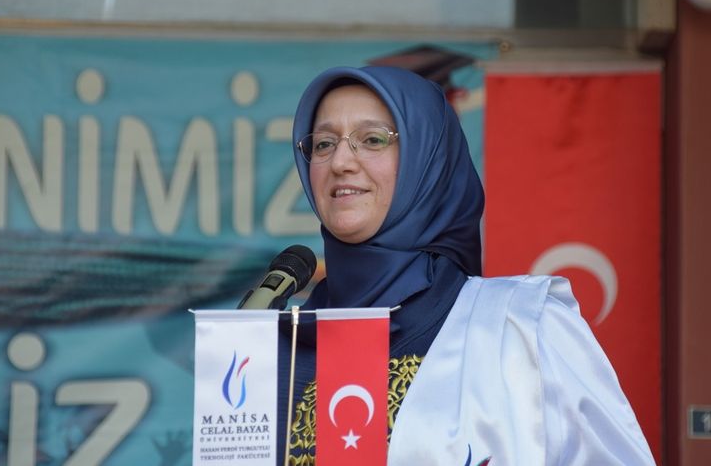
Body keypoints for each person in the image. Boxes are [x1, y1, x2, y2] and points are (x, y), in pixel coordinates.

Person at [276, 66, 656, 465]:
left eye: (372, 139)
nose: (340, 161)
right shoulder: (278, 351)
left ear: (428, 161)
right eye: (323, 144)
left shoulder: (520, 328)